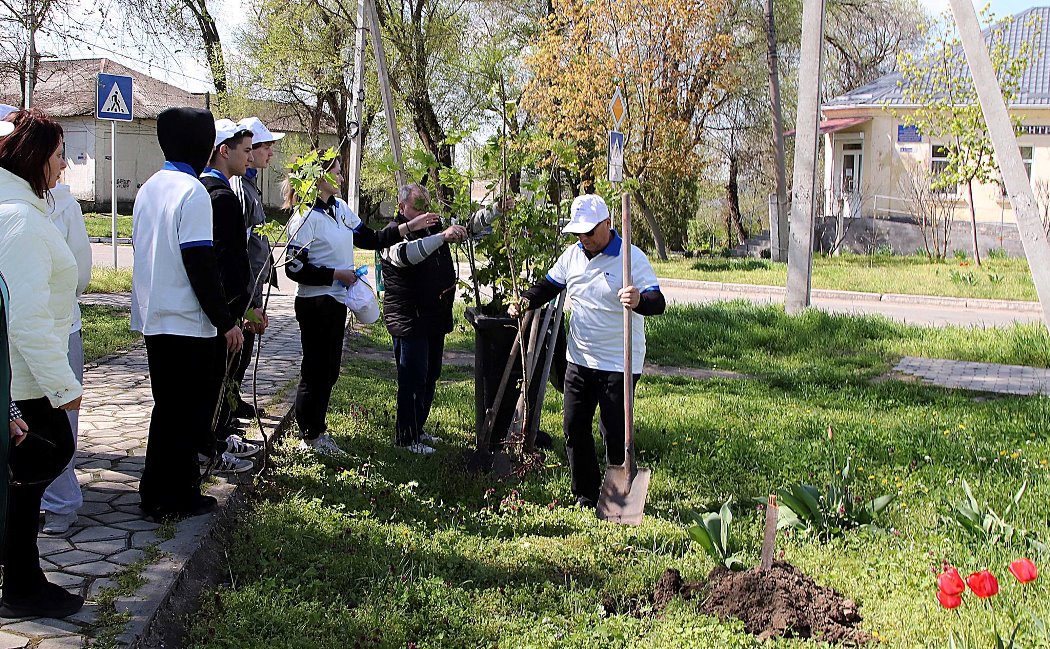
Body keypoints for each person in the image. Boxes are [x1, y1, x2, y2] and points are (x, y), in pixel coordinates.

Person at [508, 194, 666, 508]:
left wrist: (638, 301)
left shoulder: (631, 258)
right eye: (579, 232)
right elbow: (548, 286)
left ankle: (619, 499)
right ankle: (585, 493)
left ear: (607, 224)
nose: (584, 238)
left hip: (619, 362)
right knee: (574, 427)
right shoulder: (572, 256)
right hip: (579, 359)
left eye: (590, 232)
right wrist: (525, 300)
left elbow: (657, 302)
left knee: (615, 432)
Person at [132, 107, 243, 520]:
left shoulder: (151, 186)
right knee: (187, 412)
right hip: (185, 320)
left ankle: (156, 490)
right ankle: (175, 495)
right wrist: (225, 321)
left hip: (153, 315)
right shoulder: (192, 191)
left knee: (168, 408)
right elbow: (200, 262)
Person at [284, 160, 438, 455]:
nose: (342, 176)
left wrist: (411, 226)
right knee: (315, 370)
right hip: (315, 303)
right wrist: (334, 274)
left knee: (330, 370)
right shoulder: (303, 217)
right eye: (337, 171)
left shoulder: (339, 209)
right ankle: (310, 433)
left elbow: (370, 238)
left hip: (337, 301)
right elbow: (294, 267)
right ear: (319, 176)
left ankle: (317, 429)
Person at [0, 108, 84, 617]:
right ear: (35, 158)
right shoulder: (21, 222)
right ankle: (22, 586)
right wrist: (62, 384)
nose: (64, 167)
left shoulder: (21, 209)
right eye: (59, 155)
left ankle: (24, 577)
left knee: (29, 477)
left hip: (24, 375)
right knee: (43, 459)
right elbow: (25, 318)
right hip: (25, 378)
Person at [379, 184, 467, 455]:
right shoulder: (391, 235)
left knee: (430, 375)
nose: (424, 213)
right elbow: (408, 255)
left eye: (427, 207)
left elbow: (467, 229)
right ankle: (406, 438)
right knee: (413, 378)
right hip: (408, 318)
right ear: (402, 206)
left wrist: (495, 211)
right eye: (418, 207)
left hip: (433, 316)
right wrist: (442, 237)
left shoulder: (431, 228)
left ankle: (418, 428)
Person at [199, 119, 260, 473]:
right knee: (215, 386)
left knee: (219, 382)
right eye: (246, 150)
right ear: (225, 151)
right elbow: (227, 264)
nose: (250, 157)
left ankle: (218, 441)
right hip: (222, 314)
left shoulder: (213, 191)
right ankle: (213, 450)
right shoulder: (219, 197)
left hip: (222, 311)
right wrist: (237, 313)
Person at [39, 171, 92, 535]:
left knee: (56, 413)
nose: (64, 166)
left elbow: (82, 275)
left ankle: (58, 502)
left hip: (58, 326)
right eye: (59, 156)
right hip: (27, 327)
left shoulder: (64, 205)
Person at [229, 116, 282, 422]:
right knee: (238, 351)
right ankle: (227, 409)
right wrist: (249, 300)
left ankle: (233, 402)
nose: (269, 154)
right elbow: (239, 246)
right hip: (244, 290)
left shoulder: (249, 185)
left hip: (252, 286)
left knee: (245, 350)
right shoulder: (238, 186)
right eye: (266, 147)